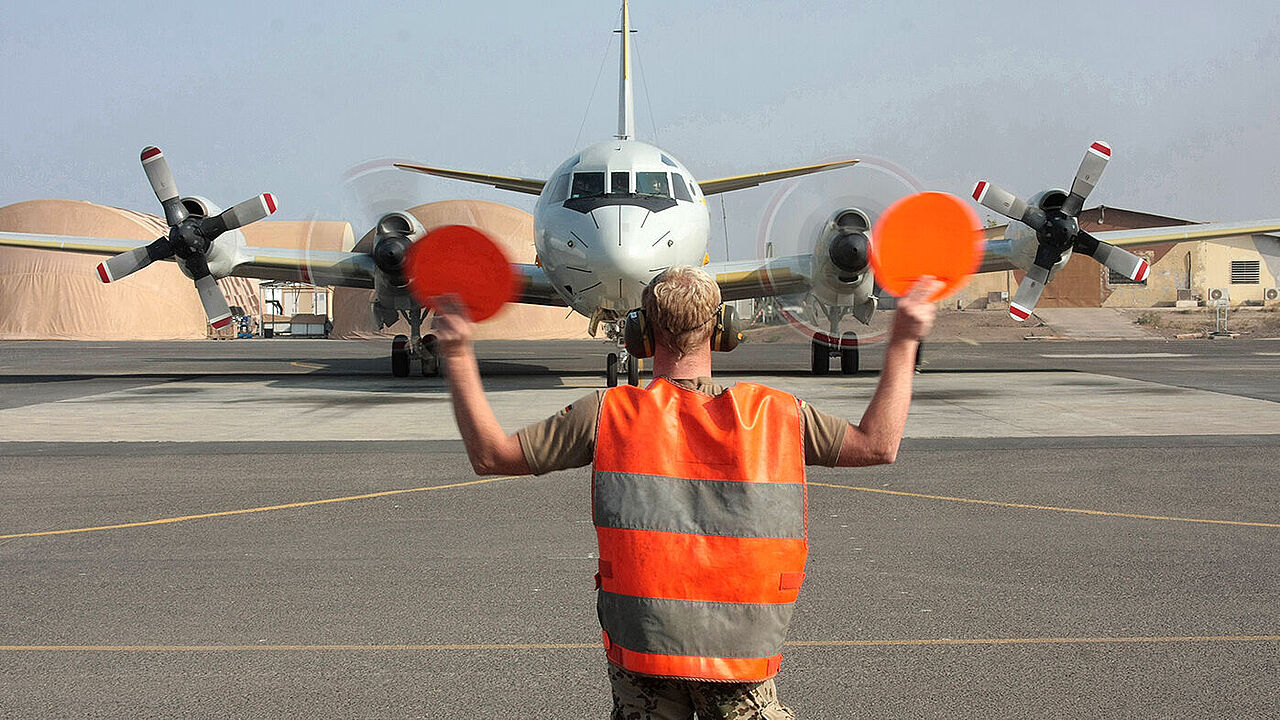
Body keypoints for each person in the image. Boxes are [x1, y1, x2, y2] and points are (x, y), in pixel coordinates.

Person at [432, 267, 940, 719]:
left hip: (642, 648)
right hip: (741, 651)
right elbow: (879, 445)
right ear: (723, 332)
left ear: (641, 334)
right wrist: (902, 340)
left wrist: (457, 353)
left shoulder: (608, 412)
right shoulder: (779, 413)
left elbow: (491, 456)